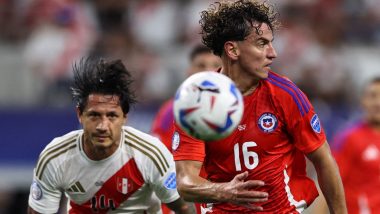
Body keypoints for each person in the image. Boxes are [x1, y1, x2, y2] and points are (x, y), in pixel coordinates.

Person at [173, 0, 347, 213]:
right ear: (233, 50)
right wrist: (224, 191)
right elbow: (185, 183)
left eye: (271, 43)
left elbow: (323, 159)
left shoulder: (285, 94)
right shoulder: (196, 102)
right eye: (262, 43)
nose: (273, 53)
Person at [27, 58, 194, 214]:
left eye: (112, 116)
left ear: (124, 117)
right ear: (80, 114)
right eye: (94, 115)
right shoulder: (55, 157)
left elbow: (182, 208)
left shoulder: (151, 154)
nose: (102, 126)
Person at [151, 44, 222, 151]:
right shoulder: (172, 110)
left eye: (216, 65)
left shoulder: (237, 106)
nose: (209, 71)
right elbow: (158, 151)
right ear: (189, 71)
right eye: (201, 66)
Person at [332, 77, 380, 213]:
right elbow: (330, 184)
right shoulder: (350, 138)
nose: (378, 102)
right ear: (363, 101)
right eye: (373, 96)